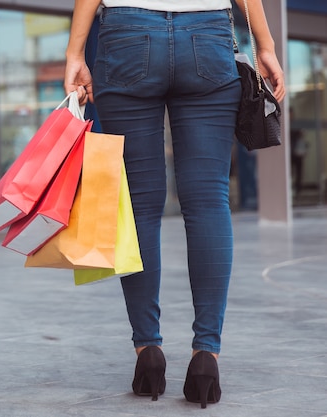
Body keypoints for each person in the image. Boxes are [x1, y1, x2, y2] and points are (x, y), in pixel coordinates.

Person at [64, 0, 285, 409]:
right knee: (208, 201)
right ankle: (206, 356)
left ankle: (147, 353)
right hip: (207, 36)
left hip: (127, 34)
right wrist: (265, 45)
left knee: (139, 206)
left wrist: (75, 52)